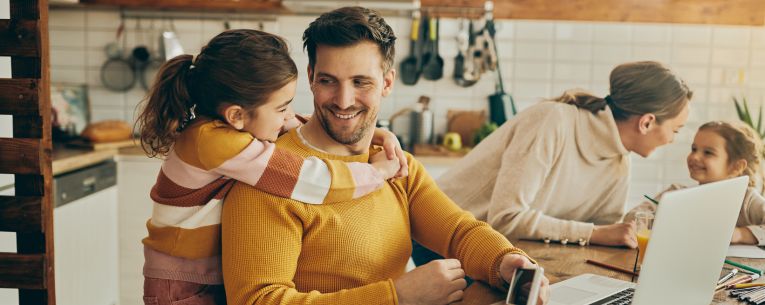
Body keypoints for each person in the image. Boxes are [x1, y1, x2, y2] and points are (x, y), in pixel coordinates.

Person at [221, 7, 550, 305]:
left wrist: (506, 261)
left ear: (387, 82)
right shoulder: (271, 175)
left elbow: (458, 231)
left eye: (360, 82)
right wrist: (398, 296)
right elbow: (258, 301)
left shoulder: (393, 164)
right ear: (311, 79)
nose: (344, 99)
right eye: (328, 81)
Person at [136, 29, 408, 305]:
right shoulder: (215, 142)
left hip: (201, 274)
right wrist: (378, 173)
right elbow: (309, 179)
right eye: (280, 108)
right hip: (181, 285)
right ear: (237, 116)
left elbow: (297, 123)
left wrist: (370, 133)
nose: (285, 116)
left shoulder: (223, 128)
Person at [434, 61, 692, 252]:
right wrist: (596, 233)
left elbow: (605, 231)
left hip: (495, 244)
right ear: (646, 123)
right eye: (675, 129)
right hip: (441, 231)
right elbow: (507, 218)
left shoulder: (619, 158)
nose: (673, 139)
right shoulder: (552, 120)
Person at [624, 121, 765, 245]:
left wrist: (738, 234)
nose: (695, 157)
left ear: (736, 167)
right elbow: (632, 217)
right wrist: (666, 221)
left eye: (708, 152)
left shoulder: (747, 201)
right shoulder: (675, 194)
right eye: (694, 149)